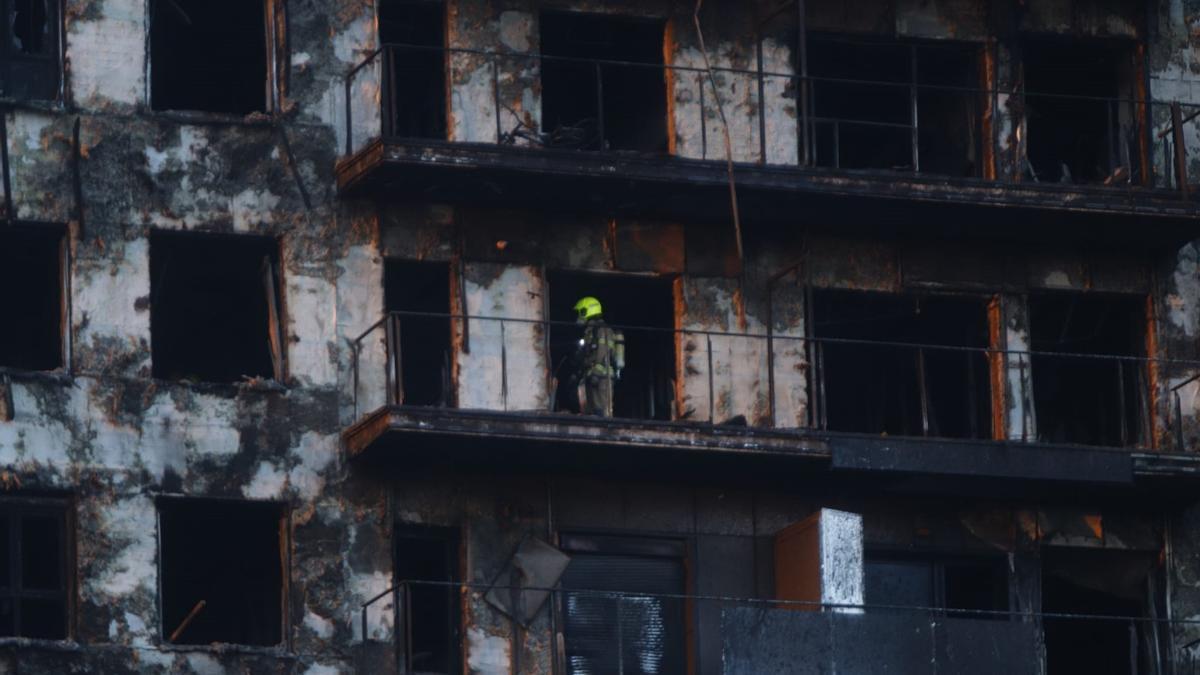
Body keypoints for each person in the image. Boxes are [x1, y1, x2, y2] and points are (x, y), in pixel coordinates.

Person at [571, 296, 624, 417]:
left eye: (580, 312)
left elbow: (604, 351)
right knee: (592, 412)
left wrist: (596, 372)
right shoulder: (590, 331)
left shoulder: (602, 330)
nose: (579, 316)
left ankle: (605, 433)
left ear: (586, 311)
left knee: (603, 412)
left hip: (603, 377)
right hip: (592, 376)